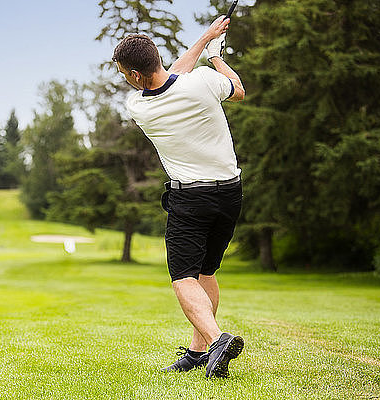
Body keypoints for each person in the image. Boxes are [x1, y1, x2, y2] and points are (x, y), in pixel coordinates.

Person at [112, 15, 246, 378]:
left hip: (191, 200)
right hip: (230, 193)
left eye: (125, 73)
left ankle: (218, 340)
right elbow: (237, 89)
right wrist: (215, 53)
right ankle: (199, 353)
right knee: (206, 272)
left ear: (136, 76)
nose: (126, 79)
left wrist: (206, 40)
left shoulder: (139, 107)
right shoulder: (202, 82)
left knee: (183, 277)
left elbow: (170, 79)